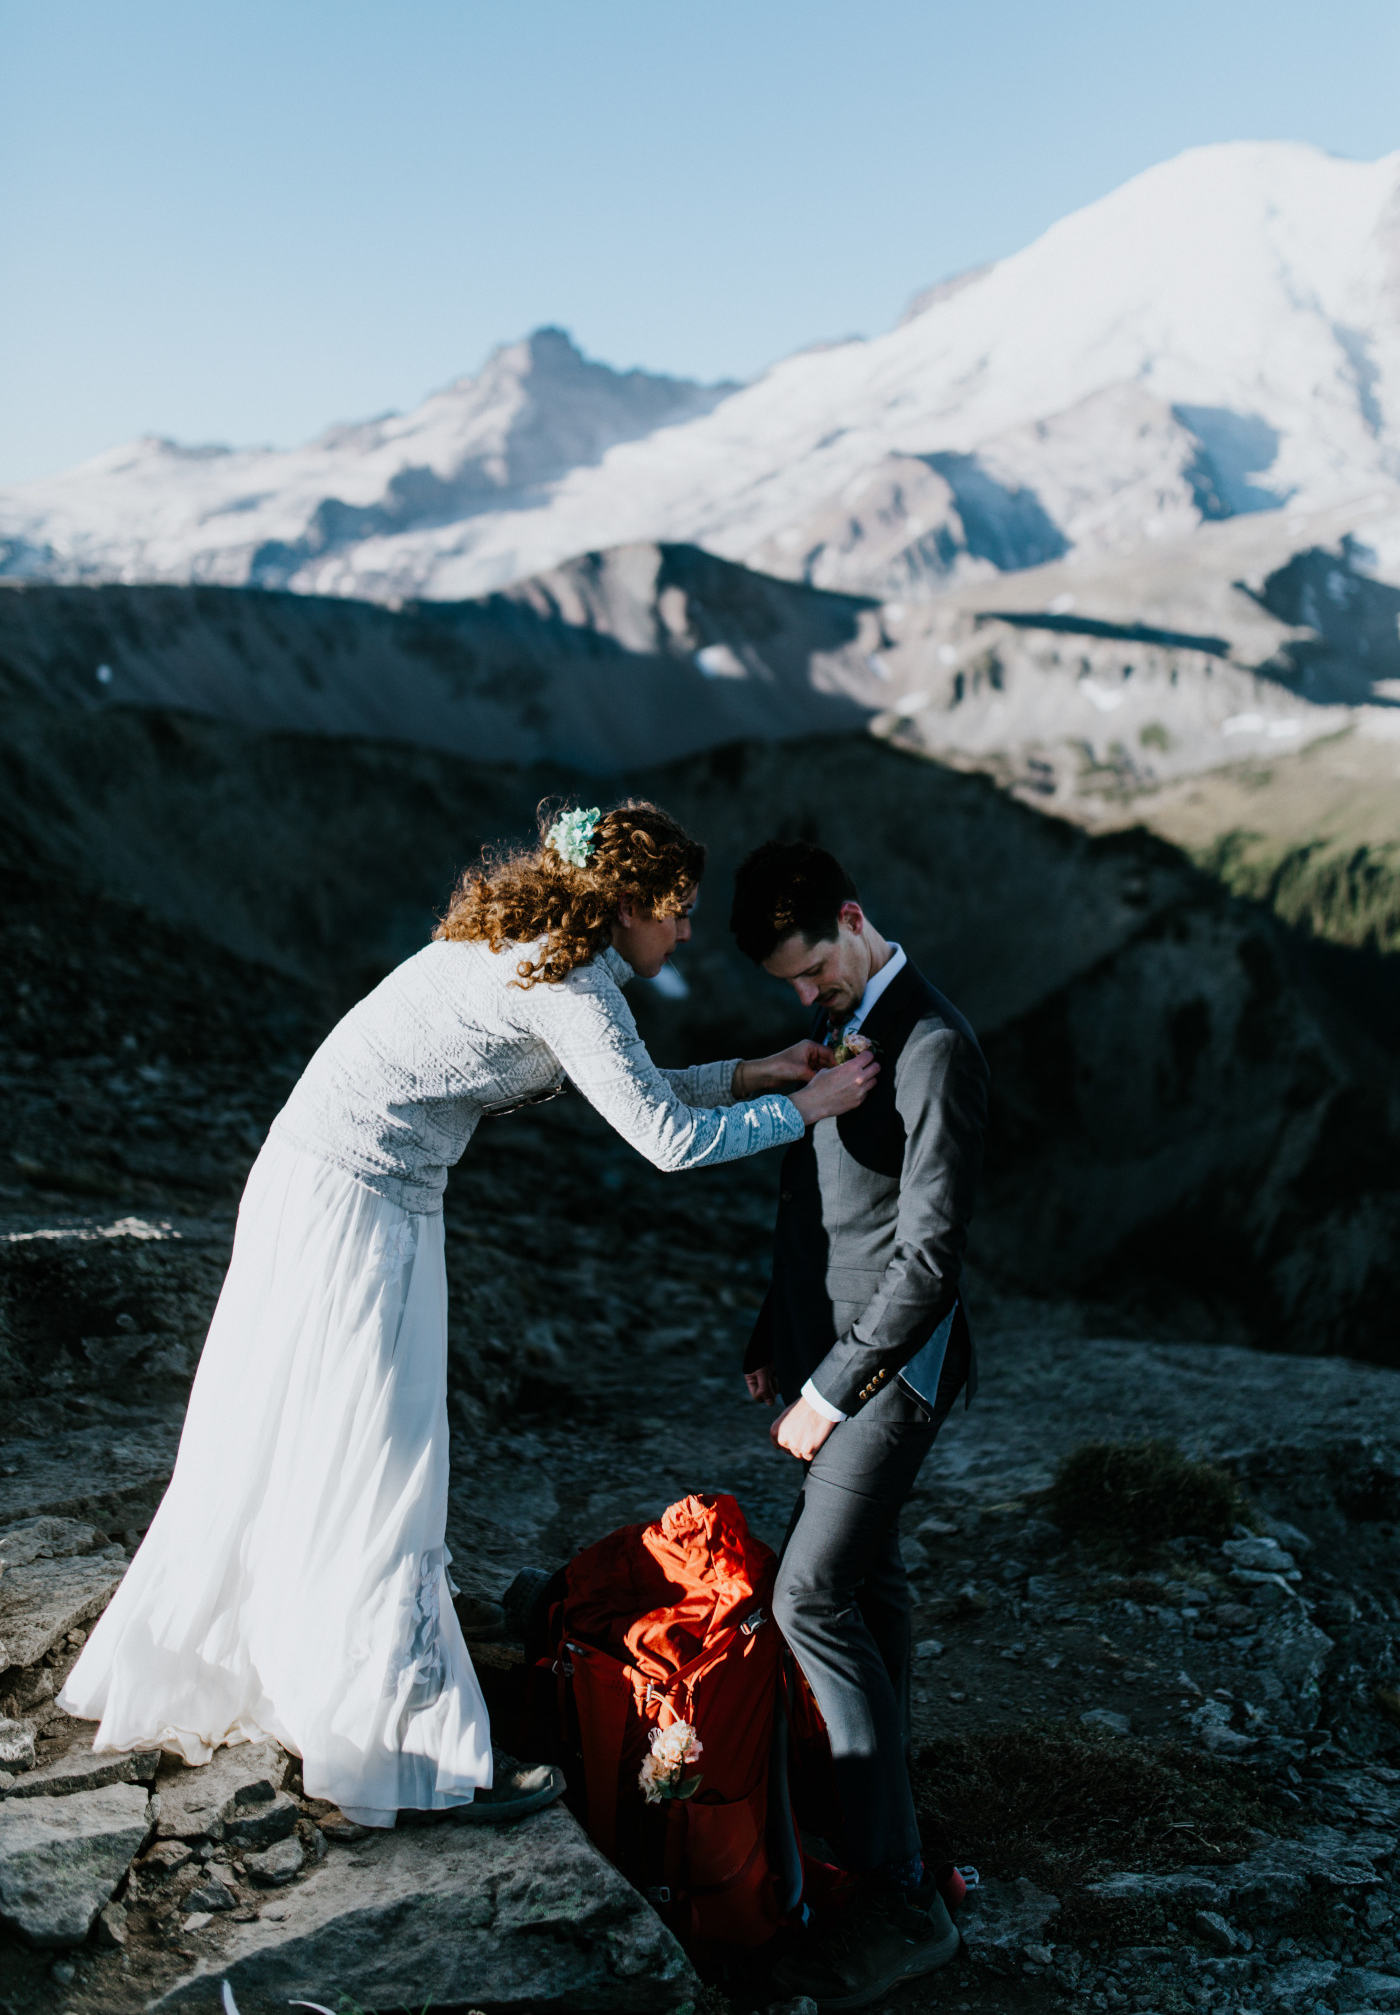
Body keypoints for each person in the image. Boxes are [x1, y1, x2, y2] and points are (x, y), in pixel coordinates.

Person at [60, 801, 878, 1830]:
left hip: (323, 1187)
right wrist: (807, 1107)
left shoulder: (525, 944)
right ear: (625, 904)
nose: (680, 937)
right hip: (362, 1213)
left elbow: (623, 1086)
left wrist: (751, 1074)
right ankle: (398, 1743)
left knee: (302, 1448)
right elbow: (663, 1140)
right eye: (673, 914)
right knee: (388, 1465)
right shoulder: (571, 984)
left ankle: (317, 1679)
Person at [729, 838, 989, 2009]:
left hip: (892, 1368)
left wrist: (827, 1390)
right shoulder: (839, 1028)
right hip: (825, 1350)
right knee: (868, 1584)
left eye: (811, 970)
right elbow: (811, 1192)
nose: (804, 997)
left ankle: (898, 1896)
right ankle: (882, 1810)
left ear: (851, 915)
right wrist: (766, 1334)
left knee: (809, 1595)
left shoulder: (934, 1044)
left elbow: (929, 1257)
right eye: (787, 983)